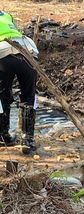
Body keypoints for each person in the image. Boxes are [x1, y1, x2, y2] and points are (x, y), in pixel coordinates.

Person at [0, 10, 38, 154]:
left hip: (2, 54)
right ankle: (27, 140)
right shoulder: (6, 15)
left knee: (2, 97)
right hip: (27, 51)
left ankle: (3, 136)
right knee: (29, 97)